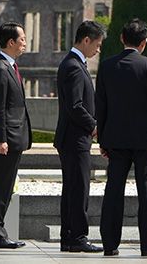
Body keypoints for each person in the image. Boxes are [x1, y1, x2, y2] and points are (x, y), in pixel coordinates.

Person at [95, 18, 147, 257]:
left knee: (113, 190)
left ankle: (109, 244)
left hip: (115, 138)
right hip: (145, 139)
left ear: (121, 38)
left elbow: (101, 106)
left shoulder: (107, 66)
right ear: (144, 42)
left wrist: (102, 139)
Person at [54, 20, 106, 254]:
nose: (98, 49)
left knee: (72, 188)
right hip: (75, 138)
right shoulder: (74, 66)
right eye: (97, 44)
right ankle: (77, 237)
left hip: (72, 138)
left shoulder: (74, 63)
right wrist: (94, 126)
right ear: (86, 40)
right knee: (78, 189)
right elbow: (75, 106)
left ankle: (69, 237)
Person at [0, 22, 33, 249]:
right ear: (11, 42)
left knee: (6, 188)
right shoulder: (0, 68)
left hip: (14, 137)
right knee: (1, 188)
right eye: (22, 39)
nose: (25, 42)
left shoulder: (10, 66)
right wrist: (0, 139)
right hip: (6, 139)